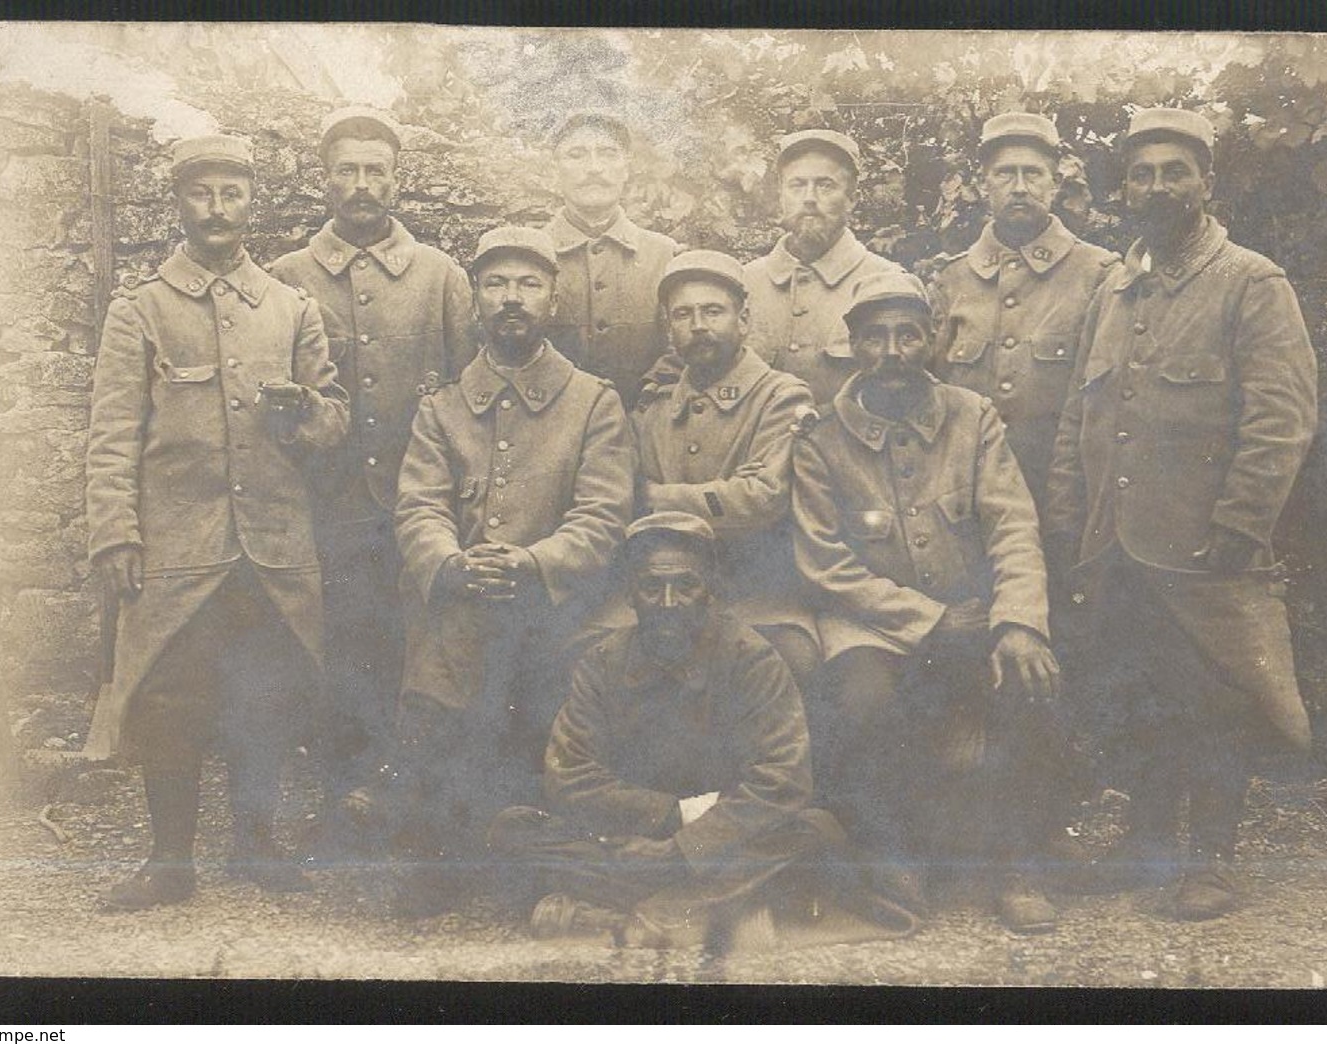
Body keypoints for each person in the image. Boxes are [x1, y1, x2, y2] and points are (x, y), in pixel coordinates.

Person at [1044, 108, 1318, 920]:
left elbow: (1280, 417)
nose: (1157, 186)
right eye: (1142, 173)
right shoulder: (1114, 286)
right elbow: (1079, 411)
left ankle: (1214, 860)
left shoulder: (1249, 281)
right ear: (1124, 189)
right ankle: (1148, 842)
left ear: (1206, 182)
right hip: (1116, 546)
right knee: (1137, 695)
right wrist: (1066, 512)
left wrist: (1239, 525)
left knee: (1215, 700)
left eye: (1174, 171)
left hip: (1204, 548)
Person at [84, 134, 349, 908]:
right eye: (202, 193)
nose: (218, 209)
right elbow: (110, 435)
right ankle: (170, 862)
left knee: (265, 696)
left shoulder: (293, 309)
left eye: (232, 193)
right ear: (180, 204)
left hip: (270, 549)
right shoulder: (141, 310)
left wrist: (306, 417)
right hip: (176, 551)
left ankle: (255, 847)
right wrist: (115, 533)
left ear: (250, 203)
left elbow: (335, 422)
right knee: (172, 700)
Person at [488, 512, 917, 951]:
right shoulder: (602, 662)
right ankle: (700, 911)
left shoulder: (753, 659)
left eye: (686, 585)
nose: (669, 601)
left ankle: (633, 915)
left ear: (711, 590)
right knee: (514, 828)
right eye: (652, 587)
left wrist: (683, 851)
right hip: (636, 838)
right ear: (630, 596)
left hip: (721, 843)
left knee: (814, 832)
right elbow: (570, 775)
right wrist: (669, 817)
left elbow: (781, 782)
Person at [790, 271, 1067, 932]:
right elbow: (823, 563)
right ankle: (891, 856)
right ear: (851, 346)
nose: (892, 351)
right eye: (876, 337)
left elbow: (1012, 527)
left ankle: (1015, 861)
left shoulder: (972, 418)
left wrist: (1018, 623)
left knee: (1028, 680)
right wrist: (927, 618)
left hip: (971, 611)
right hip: (867, 622)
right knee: (862, 700)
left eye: (908, 334)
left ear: (931, 341)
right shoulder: (819, 438)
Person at [385, 226, 636, 916]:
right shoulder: (440, 409)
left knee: (552, 705)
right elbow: (418, 506)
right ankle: (441, 859)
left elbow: (602, 515)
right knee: (444, 681)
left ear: (552, 299)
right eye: (495, 285)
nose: (511, 299)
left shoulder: (592, 402)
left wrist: (532, 562)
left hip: (560, 600)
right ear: (474, 301)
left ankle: (541, 864)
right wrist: (449, 561)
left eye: (528, 284)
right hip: (463, 596)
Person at [268, 106, 476, 818]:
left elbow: (464, 392)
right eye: (347, 171)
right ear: (324, 180)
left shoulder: (441, 276)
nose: (362, 185)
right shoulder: (287, 277)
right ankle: (341, 804)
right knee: (339, 648)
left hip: (419, 501)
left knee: (418, 649)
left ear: (397, 181)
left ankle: (411, 802)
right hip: (328, 503)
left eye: (375, 171)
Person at [630, 250, 820, 682]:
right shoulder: (654, 406)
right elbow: (622, 489)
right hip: (665, 593)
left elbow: (761, 499)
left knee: (789, 662)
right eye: (683, 314)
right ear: (669, 330)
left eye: (713, 311)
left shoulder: (781, 397)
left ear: (744, 319)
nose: (699, 326)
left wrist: (656, 498)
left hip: (756, 591)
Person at [932, 113, 1121, 509]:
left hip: (1060, 502)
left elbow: (1106, 408)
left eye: (1033, 174)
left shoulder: (1098, 275)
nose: (1019, 188)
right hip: (965, 500)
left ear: (1055, 184)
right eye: (1004, 174)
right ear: (984, 186)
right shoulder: (953, 280)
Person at [743, 129, 904, 405]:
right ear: (781, 195)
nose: (809, 198)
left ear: (851, 198)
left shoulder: (888, 283)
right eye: (797, 185)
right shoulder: (744, 283)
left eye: (825, 185)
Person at [542, 112, 679, 408]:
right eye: (576, 155)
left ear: (627, 168)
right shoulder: (533, 256)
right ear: (555, 171)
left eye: (608, 153)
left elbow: (681, 350)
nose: (593, 168)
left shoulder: (665, 255)